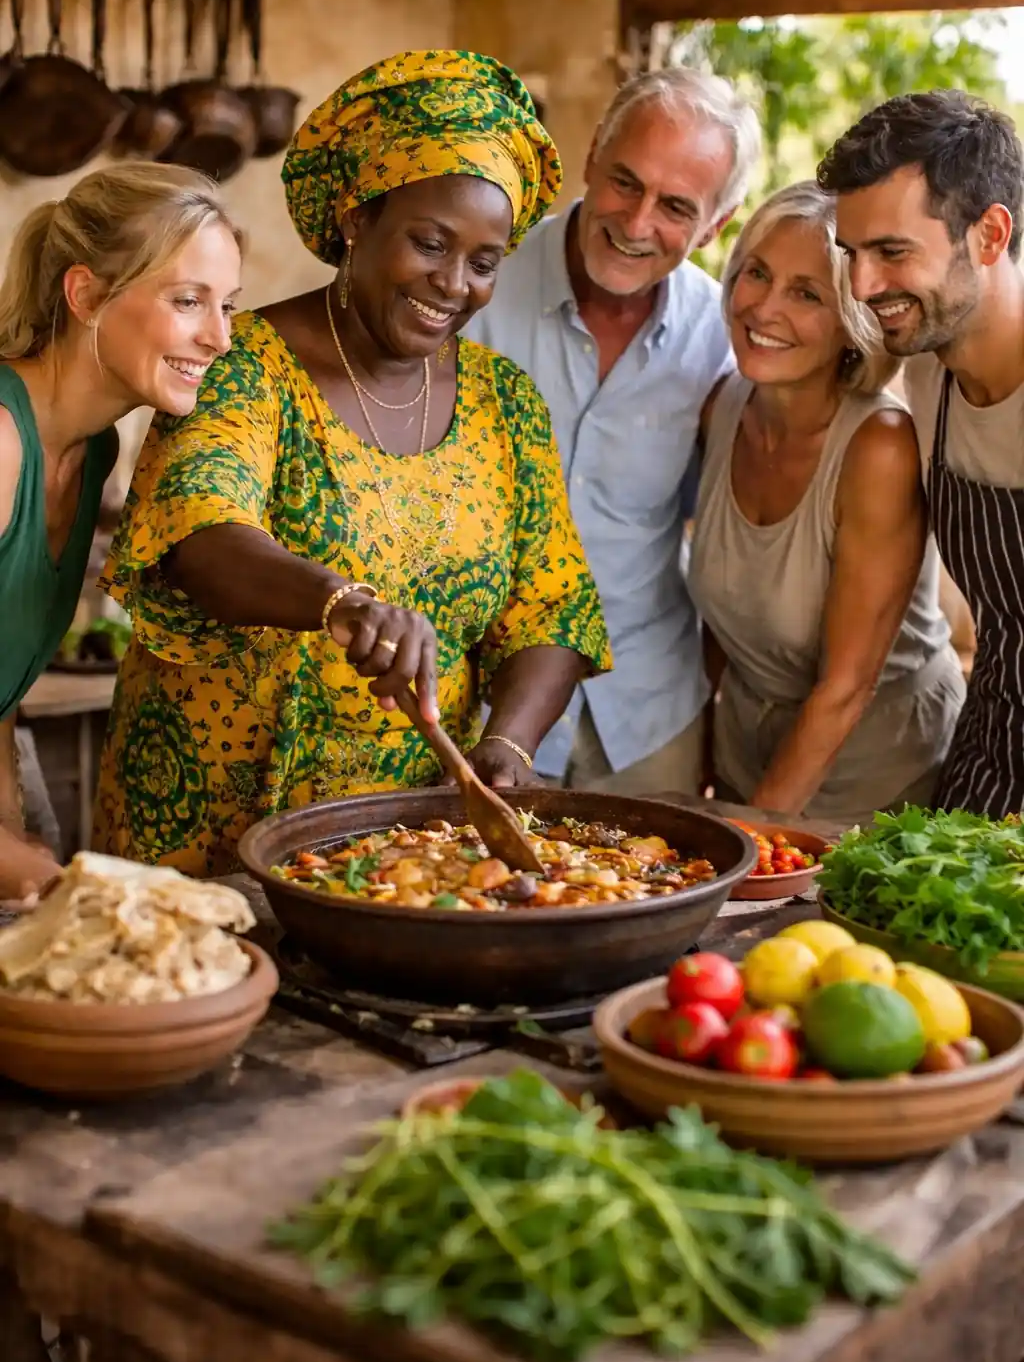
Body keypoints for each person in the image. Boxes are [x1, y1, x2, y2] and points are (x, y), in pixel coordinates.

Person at [93, 51, 611, 878]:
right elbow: (202, 532)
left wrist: (507, 743)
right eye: (430, 243)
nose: (454, 284)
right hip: (210, 835)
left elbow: (552, 608)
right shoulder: (244, 363)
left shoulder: (504, 403)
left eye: (484, 261)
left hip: (405, 849)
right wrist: (342, 602)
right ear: (354, 220)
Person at [470, 66, 761, 796]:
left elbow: (730, 533)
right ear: (592, 155)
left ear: (716, 225)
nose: (636, 225)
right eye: (625, 182)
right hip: (470, 703)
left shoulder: (722, 342)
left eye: (674, 206)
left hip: (644, 718)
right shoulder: (478, 287)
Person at [0, 163, 242, 903]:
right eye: (188, 301)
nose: (220, 338)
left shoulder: (93, 449)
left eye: (228, 305)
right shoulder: (1, 442)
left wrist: (13, 831)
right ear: (86, 296)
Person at [688, 182, 964, 822]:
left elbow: (846, 688)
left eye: (806, 293)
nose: (762, 308)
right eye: (756, 273)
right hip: (749, 752)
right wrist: (705, 757)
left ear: (851, 321)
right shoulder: (724, 406)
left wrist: (750, 843)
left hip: (878, 774)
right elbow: (722, 620)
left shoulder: (879, 448)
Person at [819, 89, 1024, 816]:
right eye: (852, 253)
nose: (864, 286)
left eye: (892, 252)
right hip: (987, 762)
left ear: (990, 235)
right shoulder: (928, 374)